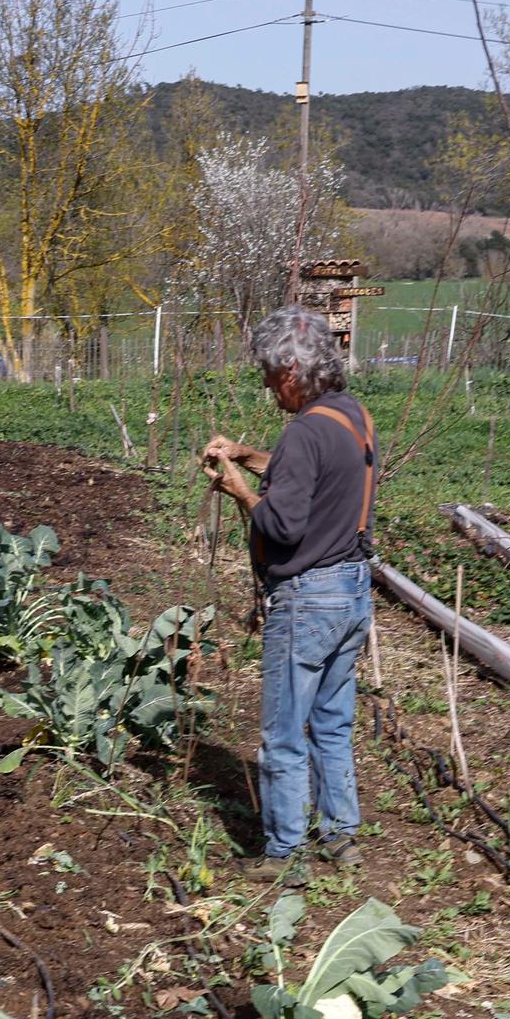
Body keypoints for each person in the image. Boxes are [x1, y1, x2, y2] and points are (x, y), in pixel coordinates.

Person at [200, 305, 379, 876]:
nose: (268, 388)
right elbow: (313, 472)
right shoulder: (350, 416)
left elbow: (282, 526)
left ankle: (285, 851)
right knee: (331, 720)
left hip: (309, 597)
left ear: (293, 372)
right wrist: (250, 457)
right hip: (353, 590)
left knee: (282, 732)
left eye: (270, 377)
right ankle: (341, 836)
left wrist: (239, 491)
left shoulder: (303, 430)